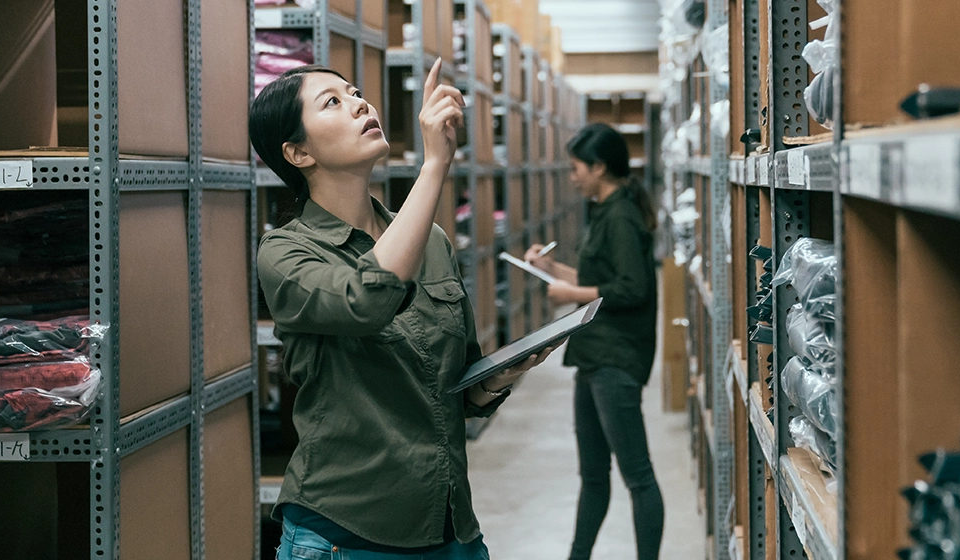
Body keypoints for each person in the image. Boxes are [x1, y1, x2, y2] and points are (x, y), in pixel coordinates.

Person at [251, 60, 558, 560]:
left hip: (449, 525)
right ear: (298, 152)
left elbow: (453, 390)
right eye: (333, 102)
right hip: (346, 535)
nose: (359, 103)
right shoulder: (285, 254)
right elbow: (368, 300)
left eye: (354, 92)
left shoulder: (431, 241)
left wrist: (498, 377)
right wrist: (435, 165)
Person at [524, 123, 663, 560]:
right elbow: (596, 279)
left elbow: (631, 288)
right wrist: (551, 269)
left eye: (576, 168)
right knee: (594, 476)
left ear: (599, 167)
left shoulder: (620, 215)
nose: (572, 177)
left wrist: (570, 295)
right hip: (594, 355)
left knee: (637, 476)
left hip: (615, 358)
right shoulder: (606, 209)